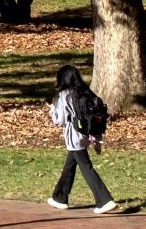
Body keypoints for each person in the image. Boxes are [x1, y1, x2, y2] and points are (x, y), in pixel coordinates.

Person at [45, 62, 119, 213]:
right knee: (70, 165)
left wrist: (52, 110)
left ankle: (104, 200)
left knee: (86, 167)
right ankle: (59, 197)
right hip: (86, 134)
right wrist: (97, 139)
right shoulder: (86, 92)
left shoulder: (64, 95)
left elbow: (59, 120)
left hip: (74, 137)